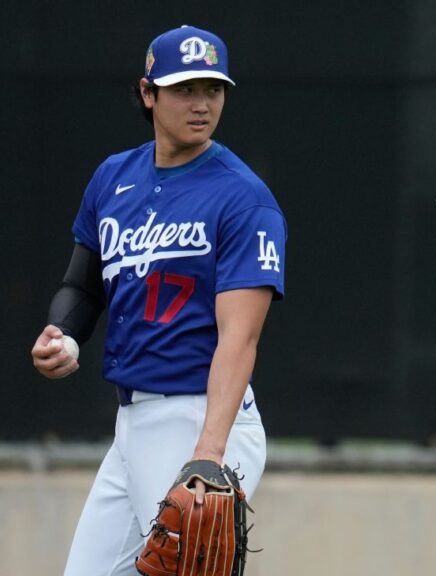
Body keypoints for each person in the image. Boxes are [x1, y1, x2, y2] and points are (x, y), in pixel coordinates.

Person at [30, 24, 287, 576]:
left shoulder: (243, 197)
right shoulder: (113, 178)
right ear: (148, 94)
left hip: (198, 417)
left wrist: (208, 455)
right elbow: (82, 285)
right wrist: (64, 333)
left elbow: (239, 340)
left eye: (213, 90)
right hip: (134, 424)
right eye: (184, 89)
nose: (202, 104)